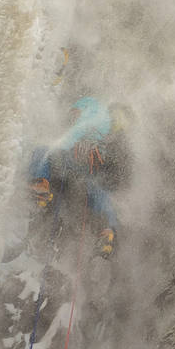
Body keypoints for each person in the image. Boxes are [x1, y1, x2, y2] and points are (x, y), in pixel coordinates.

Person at [29, 96, 131, 256]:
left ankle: (40, 185)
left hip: (75, 167)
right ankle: (108, 229)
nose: (73, 116)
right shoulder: (97, 116)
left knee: (42, 152)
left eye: (75, 113)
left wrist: (92, 150)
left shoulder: (94, 115)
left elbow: (73, 137)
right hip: (80, 170)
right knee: (99, 194)